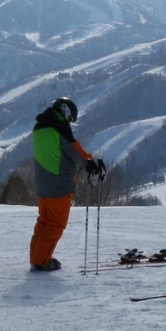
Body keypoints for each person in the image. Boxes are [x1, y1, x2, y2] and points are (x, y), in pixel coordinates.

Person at [29, 97, 102, 272]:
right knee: (54, 225)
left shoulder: (39, 127)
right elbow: (74, 150)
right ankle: (41, 261)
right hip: (59, 186)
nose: (69, 122)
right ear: (64, 111)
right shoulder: (59, 128)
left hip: (43, 186)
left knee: (43, 222)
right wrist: (89, 162)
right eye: (69, 118)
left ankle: (37, 257)